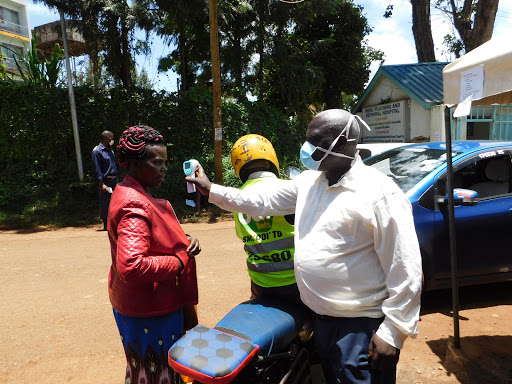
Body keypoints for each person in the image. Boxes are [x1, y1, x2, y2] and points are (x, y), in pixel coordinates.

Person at [186, 109, 422, 384]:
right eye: (307, 138)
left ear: (344, 142)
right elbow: (259, 201)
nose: (307, 147)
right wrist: (211, 189)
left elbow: (406, 269)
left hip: (360, 326)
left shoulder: (380, 193)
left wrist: (393, 332)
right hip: (321, 320)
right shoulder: (310, 183)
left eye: (315, 139)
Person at [107, 125, 201, 383]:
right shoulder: (134, 203)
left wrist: (183, 240)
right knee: (157, 373)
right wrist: (180, 260)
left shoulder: (132, 192)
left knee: (145, 371)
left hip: (142, 305)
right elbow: (132, 265)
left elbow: (154, 236)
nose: (164, 168)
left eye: (165, 163)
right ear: (136, 164)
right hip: (151, 310)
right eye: (157, 163)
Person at [230, 134, 300, 305]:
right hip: (296, 280)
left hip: (261, 281)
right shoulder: (288, 189)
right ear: (272, 158)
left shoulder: (236, 199)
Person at [92, 130, 118, 230]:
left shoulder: (110, 150)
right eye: (112, 138)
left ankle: (115, 222)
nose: (113, 140)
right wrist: (101, 183)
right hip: (105, 181)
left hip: (114, 179)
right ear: (107, 138)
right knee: (105, 202)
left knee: (116, 201)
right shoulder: (97, 151)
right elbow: (97, 168)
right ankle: (106, 224)